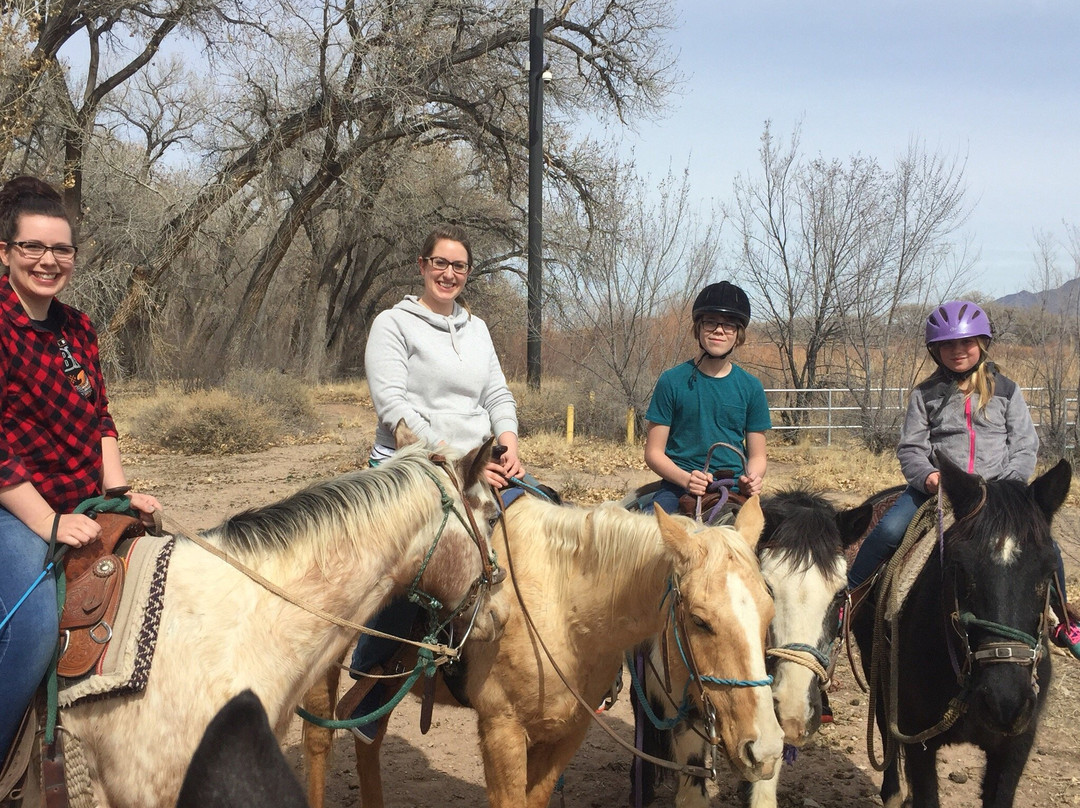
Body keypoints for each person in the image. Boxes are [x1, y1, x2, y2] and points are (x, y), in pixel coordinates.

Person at [0, 176, 162, 761]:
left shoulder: (78, 327)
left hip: (80, 501)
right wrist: (47, 522)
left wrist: (118, 493)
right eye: (32, 247)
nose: (48, 260)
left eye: (61, 249)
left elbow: (101, 418)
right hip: (16, 509)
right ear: (5, 252)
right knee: (34, 628)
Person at [344, 223, 524, 742]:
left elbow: (497, 394)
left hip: (480, 462)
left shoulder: (477, 329)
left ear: (468, 273)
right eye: (440, 263)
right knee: (413, 564)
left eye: (458, 266)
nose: (449, 273)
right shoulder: (392, 324)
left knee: (544, 518)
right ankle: (373, 682)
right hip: (414, 463)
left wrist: (508, 443)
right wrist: (460, 463)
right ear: (422, 266)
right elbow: (394, 407)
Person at [847, 299, 1079, 658]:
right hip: (941, 489)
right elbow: (911, 448)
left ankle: (1063, 619)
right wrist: (928, 476)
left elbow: (1024, 445)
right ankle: (847, 600)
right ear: (935, 350)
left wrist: (1008, 486)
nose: (958, 350)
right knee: (889, 531)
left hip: (998, 492)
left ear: (982, 344)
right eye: (948, 344)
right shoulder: (925, 394)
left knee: (1047, 545)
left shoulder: (1007, 390)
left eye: (966, 342)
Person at [642, 280, 771, 516]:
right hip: (678, 487)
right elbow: (653, 453)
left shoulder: (751, 387)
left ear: (738, 334)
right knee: (650, 532)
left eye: (729, 325)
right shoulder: (671, 381)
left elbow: (758, 456)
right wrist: (686, 479)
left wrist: (752, 478)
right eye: (711, 322)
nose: (719, 330)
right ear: (698, 328)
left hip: (734, 487)